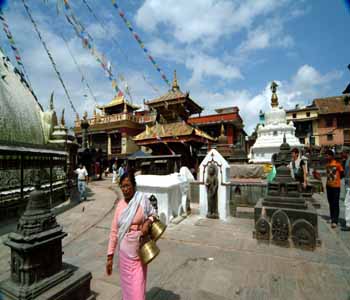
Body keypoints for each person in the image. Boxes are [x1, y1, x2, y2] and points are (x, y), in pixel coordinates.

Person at [106, 171, 156, 300]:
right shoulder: (119, 206)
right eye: (122, 186)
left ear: (134, 186)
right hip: (124, 256)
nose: (125, 189)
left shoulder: (142, 200)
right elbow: (114, 232)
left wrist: (148, 222)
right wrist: (110, 256)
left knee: (138, 292)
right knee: (128, 291)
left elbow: (153, 214)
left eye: (128, 185)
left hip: (140, 254)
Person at [325, 149, 344, 229]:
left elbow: (342, 173)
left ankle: (335, 221)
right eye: (326, 155)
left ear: (331, 156)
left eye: (328, 155)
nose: (326, 157)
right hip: (328, 186)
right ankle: (332, 217)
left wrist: (337, 180)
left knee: (335, 203)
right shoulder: (327, 165)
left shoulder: (337, 164)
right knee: (330, 203)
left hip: (336, 187)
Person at [342, 150, 350, 231]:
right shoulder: (346, 160)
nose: (341, 154)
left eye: (343, 153)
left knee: (347, 204)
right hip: (348, 184)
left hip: (349, 185)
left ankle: (348, 224)